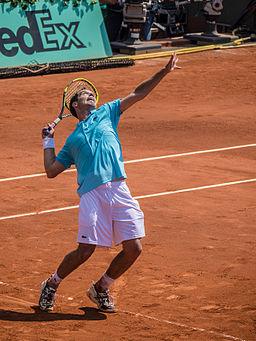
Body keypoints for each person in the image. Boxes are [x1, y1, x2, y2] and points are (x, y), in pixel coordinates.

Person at [39, 53, 180, 313]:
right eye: (84, 94)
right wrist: (48, 141)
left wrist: (163, 72)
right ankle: (52, 283)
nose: (91, 94)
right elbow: (51, 170)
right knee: (85, 251)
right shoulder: (71, 141)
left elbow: (138, 93)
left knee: (134, 248)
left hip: (118, 188)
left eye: (92, 93)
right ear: (74, 105)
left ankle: (101, 287)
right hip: (92, 194)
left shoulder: (107, 112)